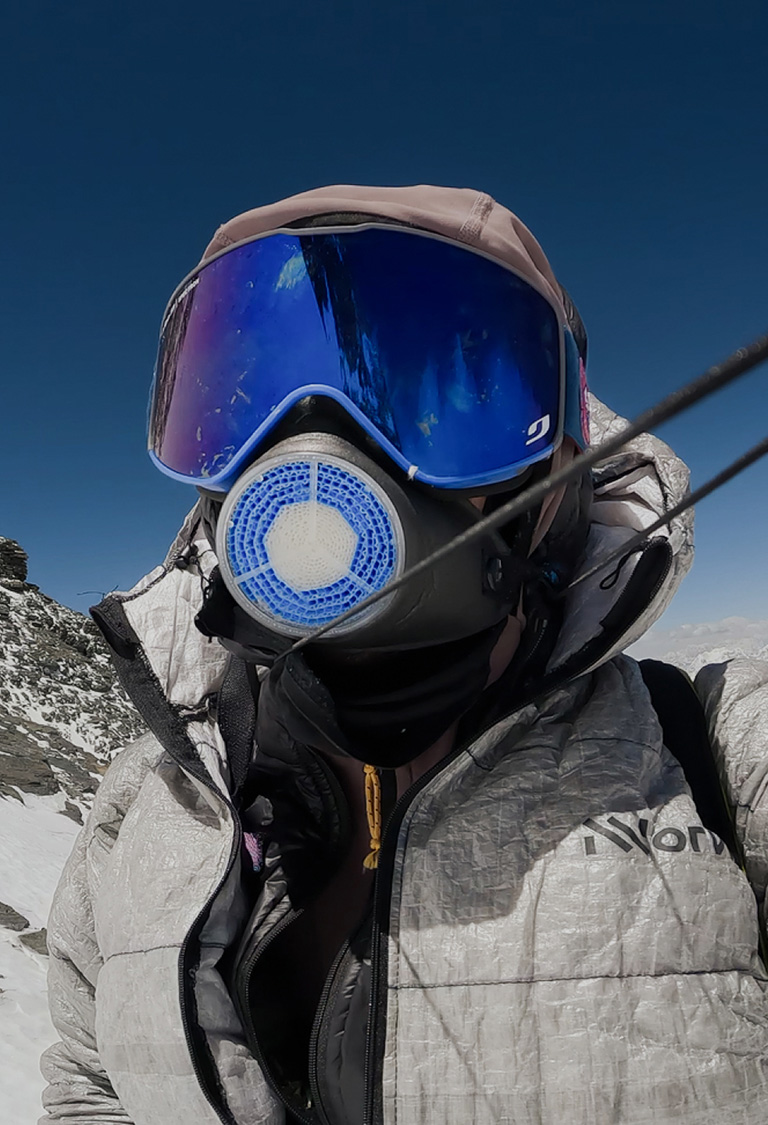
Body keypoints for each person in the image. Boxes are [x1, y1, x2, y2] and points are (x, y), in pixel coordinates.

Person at [40, 185, 768, 1125]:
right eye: (245, 399)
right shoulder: (147, 804)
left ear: (560, 471)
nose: (316, 451)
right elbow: (91, 1079)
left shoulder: (714, 761)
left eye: (438, 401)